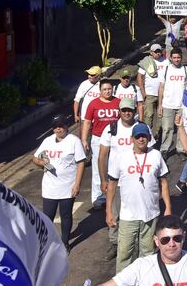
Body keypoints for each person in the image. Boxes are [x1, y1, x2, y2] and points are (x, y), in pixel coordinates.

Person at [91, 215, 187, 286]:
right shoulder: (142, 266)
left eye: (177, 238)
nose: (171, 244)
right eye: (165, 240)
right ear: (156, 241)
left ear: (184, 237)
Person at [106, 123, 171, 272]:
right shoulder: (121, 157)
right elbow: (111, 185)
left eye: (144, 136)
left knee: (148, 254)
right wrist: (109, 211)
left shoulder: (156, 155)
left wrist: (168, 207)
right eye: (138, 136)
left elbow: (164, 183)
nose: (141, 139)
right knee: (124, 254)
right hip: (128, 216)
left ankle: (145, 284)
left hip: (151, 214)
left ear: (149, 138)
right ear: (132, 139)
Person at [98, 98, 156, 261]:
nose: (126, 113)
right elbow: (102, 156)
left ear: (134, 110)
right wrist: (103, 180)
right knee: (115, 214)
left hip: (138, 179)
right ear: (119, 111)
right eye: (123, 110)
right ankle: (115, 243)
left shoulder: (142, 128)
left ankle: (138, 243)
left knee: (139, 211)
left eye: (129, 110)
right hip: (117, 181)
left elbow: (151, 151)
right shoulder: (111, 129)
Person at [32, 115, 85, 252]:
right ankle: (47, 243)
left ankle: (65, 242)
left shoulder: (74, 141)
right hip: (50, 187)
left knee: (65, 215)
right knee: (47, 216)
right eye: (55, 127)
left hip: (68, 186)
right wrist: (40, 162)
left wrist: (77, 184)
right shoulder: (47, 141)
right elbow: (35, 158)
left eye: (61, 126)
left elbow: (80, 163)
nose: (58, 129)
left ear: (66, 126)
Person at [82, 79, 121, 209]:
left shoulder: (118, 102)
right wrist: (83, 140)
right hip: (98, 139)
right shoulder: (93, 104)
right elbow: (87, 122)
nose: (107, 91)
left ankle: (113, 195)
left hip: (115, 139)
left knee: (115, 167)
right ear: (100, 91)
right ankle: (98, 197)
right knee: (98, 168)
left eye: (109, 89)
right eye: (104, 89)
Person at [157, 47, 187, 158]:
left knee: (181, 128)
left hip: (181, 105)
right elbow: (161, 87)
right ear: (170, 58)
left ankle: (180, 149)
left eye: (178, 57)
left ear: (181, 58)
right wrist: (160, 104)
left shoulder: (186, 70)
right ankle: (164, 150)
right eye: (174, 58)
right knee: (166, 129)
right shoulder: (165, 70)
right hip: (167, 105)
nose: (176, 60)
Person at [136, 44, 167, 138]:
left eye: (159, 51)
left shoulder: (166, 62)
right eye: (155, 51)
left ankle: (156, 134)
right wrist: (142, 91)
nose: (158, 53)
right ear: (151, 52)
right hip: (150, 93)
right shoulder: (147, 62)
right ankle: (147, 134)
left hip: (163, 93)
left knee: (160, 115)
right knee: (148, 115)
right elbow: (139, 76)